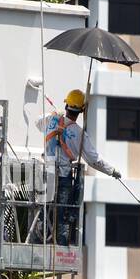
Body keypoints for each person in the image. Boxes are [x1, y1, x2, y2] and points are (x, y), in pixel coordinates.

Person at [37, 89, 120, 245]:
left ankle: (38, 239)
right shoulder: (79, 134)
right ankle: (60, 245)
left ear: (67, 105)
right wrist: (112, 171)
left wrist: (54, 114)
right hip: (63, 176)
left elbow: (37, 122)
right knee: (61, 214)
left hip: (46, 173)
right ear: (82, 111)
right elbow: (94, 160)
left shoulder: (52, 120)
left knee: (42, 210)